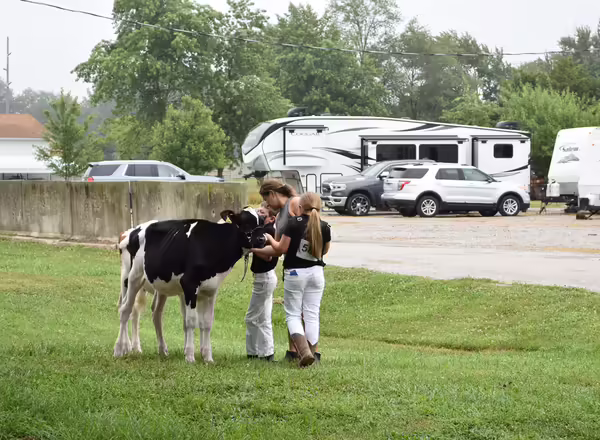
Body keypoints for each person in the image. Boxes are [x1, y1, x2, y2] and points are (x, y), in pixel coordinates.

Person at [259, 192, 332, 367]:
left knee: (293, 314)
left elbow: (281, 248)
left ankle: (304, 352)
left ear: (300, 207)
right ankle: (312, 354)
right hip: (317, 273)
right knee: (312, 314)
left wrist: (268, 238)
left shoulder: (293, 223)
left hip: (295, 273)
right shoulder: (325, 226)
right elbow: (325, 251)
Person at [253, 179, 303, 361]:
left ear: (272, 194)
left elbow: (280, 247)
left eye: (266, 198)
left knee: (303, 312)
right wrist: (253, 249)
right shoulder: (281, 214)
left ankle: (308, 352)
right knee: (294, 311)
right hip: (291, 265)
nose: (266, 204)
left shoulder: (294, 204)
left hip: (302, 264)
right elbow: (277, 248)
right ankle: (294, 352)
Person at [245, 202, 279, 361]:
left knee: (251, 318)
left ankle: (253, 352)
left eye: (262, 210)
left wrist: (251, 249)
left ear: (271, 217)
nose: (259, 212)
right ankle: (266, 353)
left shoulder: (267, 232)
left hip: (263, 278)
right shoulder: (265, 231)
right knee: (264, 318)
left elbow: (268, 255)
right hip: (266, 277)